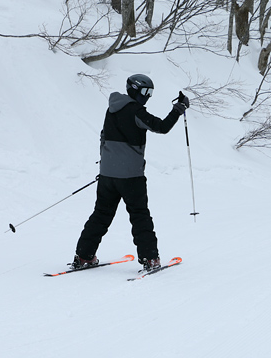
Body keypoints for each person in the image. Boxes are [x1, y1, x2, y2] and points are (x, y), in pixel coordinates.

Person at [72, 74, 190, 271]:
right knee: (139, 215)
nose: (148, 96)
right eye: (146, 92)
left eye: (151, 92)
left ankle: (84, 256)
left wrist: (107, 166)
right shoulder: (136, 112)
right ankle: (150, 259)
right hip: (131, 177)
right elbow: (161, 127)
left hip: (108, 176)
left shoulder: (111, 109)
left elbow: (103, 137)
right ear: (135, 90)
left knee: (101, 214)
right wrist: (178, 109)